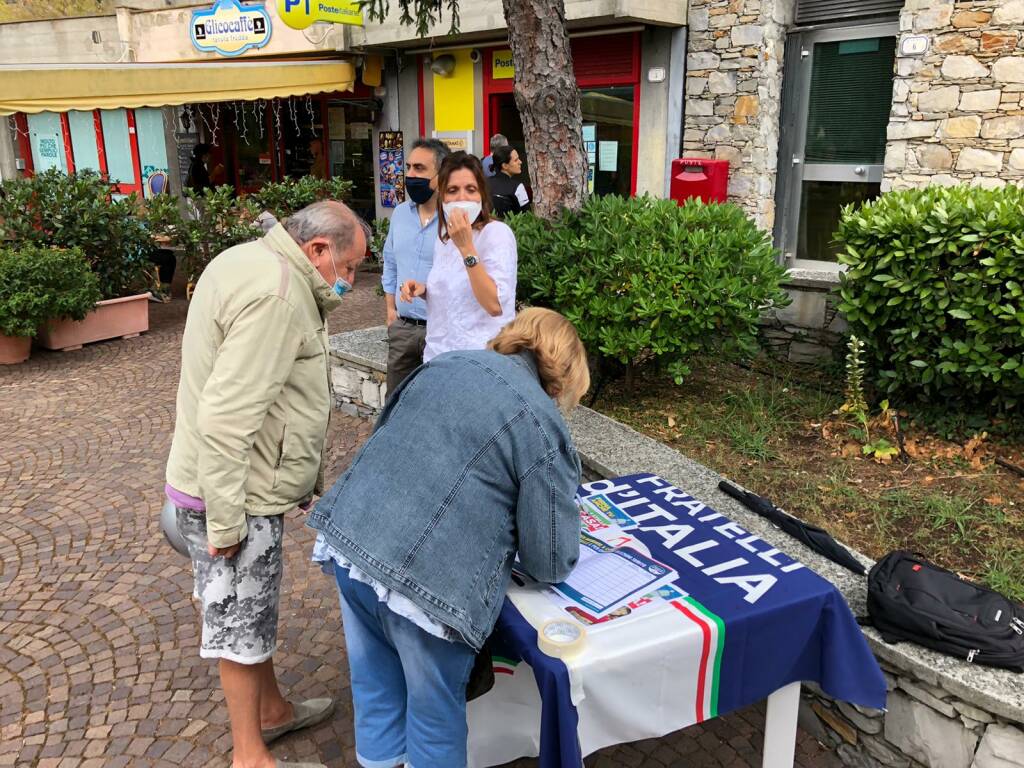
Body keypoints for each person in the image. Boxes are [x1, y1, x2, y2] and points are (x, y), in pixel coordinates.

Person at [308, 307, 590, 768]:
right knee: (434, 713)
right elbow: (551, 561)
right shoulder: (541, 420)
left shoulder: (446, 363)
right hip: (428, 586)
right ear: (562, 377)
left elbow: (388, 440)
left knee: (375, 687)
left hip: (349, 542)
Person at [164, 201, 367, 768]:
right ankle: (250, 758)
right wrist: (226, 520)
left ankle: (272, 710)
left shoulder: (252, 261)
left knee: (252, 614)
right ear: (318, 250)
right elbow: (228, 418)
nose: (350, 281)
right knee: (238, 623)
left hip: (233, 485)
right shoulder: (279, 295)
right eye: (349, 267)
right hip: (234, 495)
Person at [400, 151, 517, 363]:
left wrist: (466, 247)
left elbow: (495, 305)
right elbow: (455, 295)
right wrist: (424, 290)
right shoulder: (444, 239)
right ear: (442, 197)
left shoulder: (497, 234)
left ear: (481, 194)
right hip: (437, 357)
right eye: (452, 190)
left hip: (480, 363)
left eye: (470, 189)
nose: (462, 198)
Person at [380, 138, 450, 392]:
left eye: (419, 168)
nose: (410, 175)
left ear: (441, 174)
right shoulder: (400, 214)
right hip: (404, 329)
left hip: (442, 333)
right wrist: (390, 311)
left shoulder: (456, 219)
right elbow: (390, 263)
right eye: (408, 167)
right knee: (396, 404)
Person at [486, 145, 531, 218]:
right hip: (512, 228)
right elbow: (528, 216)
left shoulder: (485, 183)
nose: (520, 162)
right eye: (516, 160)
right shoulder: (517, 187)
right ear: (505, 166)